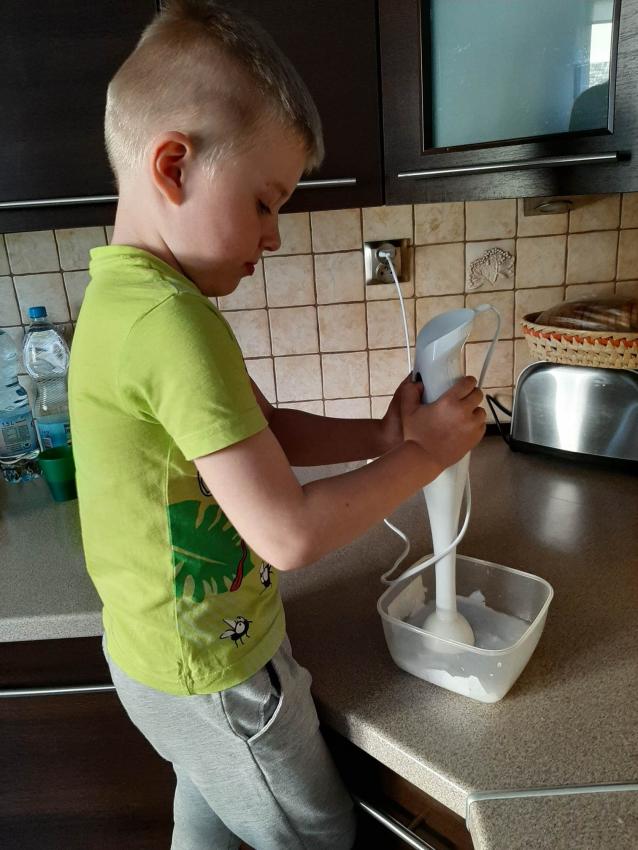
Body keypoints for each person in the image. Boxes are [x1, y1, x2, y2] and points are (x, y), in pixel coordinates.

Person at [68, 2, 486, 848]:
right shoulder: (170, 323)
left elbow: (268, 433)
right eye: (264, 203)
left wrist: (384, 438)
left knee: (210, 816)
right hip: (219, 672)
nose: (274, 237)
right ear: (174, 166)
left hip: (164, 660)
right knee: (316, 834)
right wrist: (428, 453)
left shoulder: (129, 299)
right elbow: (288, 535)